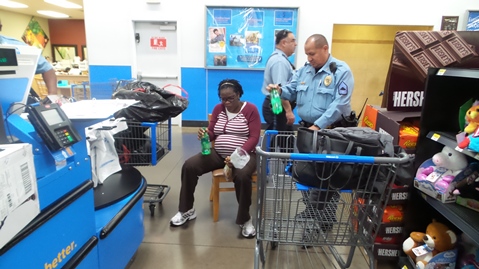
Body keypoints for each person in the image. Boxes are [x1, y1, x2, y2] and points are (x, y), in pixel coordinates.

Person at [266, 34, 354, 231]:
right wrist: (279, 91)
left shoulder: (341, 71)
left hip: (331, 133)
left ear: (325, 48)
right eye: (306, 54)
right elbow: (292, 90)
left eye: (312, 53)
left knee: (329, 177)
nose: (309, 58)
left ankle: (325, 220)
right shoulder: (305, 70)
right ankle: (313, 211)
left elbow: (340, 104)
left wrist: (319, 125)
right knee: (304, 173)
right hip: (307, 130)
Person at [170, 79, 261, 238]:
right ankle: (186, 210)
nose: (226, 102)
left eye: (230, 98)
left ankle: (245, 219)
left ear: (238, 94)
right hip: (218, 154)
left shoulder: (250, 110)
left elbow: (254, 137)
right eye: (222, 99)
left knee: (242, 176)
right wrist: (205, 134)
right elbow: (212, 132)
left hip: (244, 155)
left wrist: (237, 155)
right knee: (189, 166)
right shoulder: (218, 109)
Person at [0, 21, 58, 95]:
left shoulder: (17, 47)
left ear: (0, 27)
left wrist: (52, 95)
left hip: (16, 96)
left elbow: (47, 68)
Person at [261, 29, 297, 137]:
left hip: (278, 105)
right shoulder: (279, 61)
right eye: (293, 41)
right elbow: (279, 90)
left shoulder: (280, 58)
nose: (296, 44)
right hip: (277, 105)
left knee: (285, 140)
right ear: (284, 43)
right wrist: (288, 111)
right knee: (278, 141)